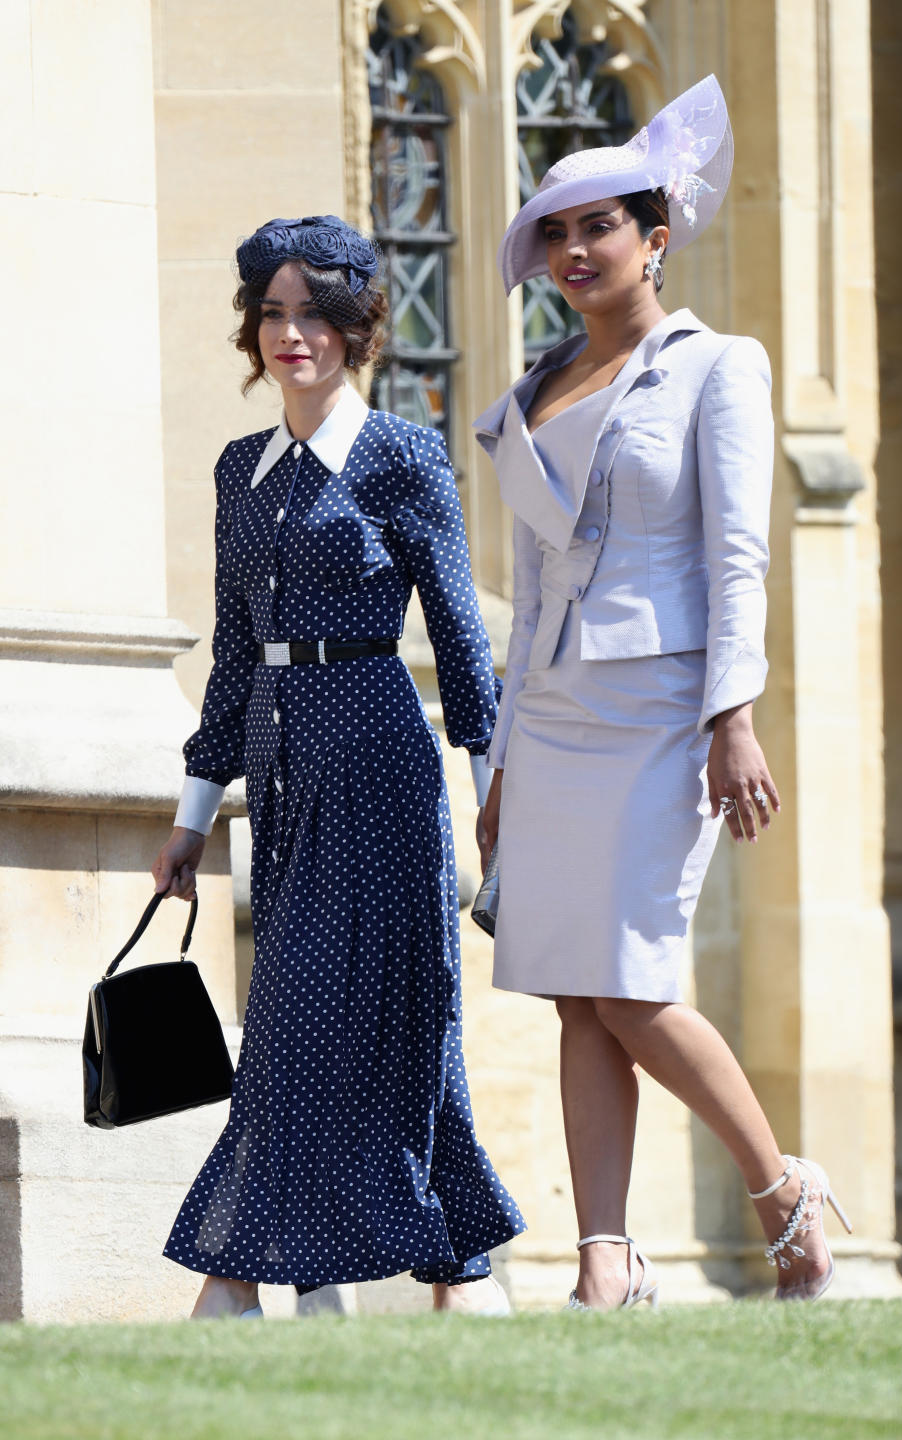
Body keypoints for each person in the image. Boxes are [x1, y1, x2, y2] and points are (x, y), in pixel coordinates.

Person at [474, 77, 851, 1308]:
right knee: (576, 988)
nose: (577, 252)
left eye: (601, 228)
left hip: (661, 716)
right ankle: (605, 1263)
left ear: (656, 235)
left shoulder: (718, 368)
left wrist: (730, 720)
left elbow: (736, 556)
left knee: (631, 982)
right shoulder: (533, 392)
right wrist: (501, 761)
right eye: (559, 234)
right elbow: (527, 597)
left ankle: (781, 1190)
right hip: (553, 722)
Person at [152, 214, 524, 1318]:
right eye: (272, 311)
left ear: (356, 326)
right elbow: (230, 656)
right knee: (326, 1022)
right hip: (280, 773)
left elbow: (461, 641)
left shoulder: (404, 456)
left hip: (378, 762)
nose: (291, 333)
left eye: (314, 312)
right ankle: (446, 1271)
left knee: (337, 1018)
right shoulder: (240, 470)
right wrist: (190, 813)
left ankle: (249, 1281)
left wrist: (493, 797)